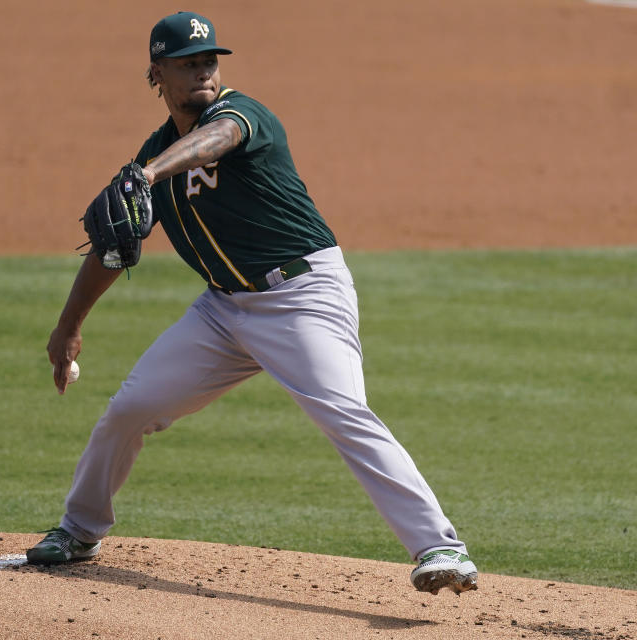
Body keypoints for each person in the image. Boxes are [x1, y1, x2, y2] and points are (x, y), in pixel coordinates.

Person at [27, 11, 478, 595]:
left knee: (344, 411)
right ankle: (78, 530)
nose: (203, 72)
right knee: (129, 409)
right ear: (156, 74)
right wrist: (68, 328)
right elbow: (115, 246)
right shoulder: (156, 152)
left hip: (303, 296)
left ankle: (441, 547)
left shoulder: (241, 115)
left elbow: (220, 138)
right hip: (223, 313)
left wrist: (147, 173)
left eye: (209, 61)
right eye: (188, 64)